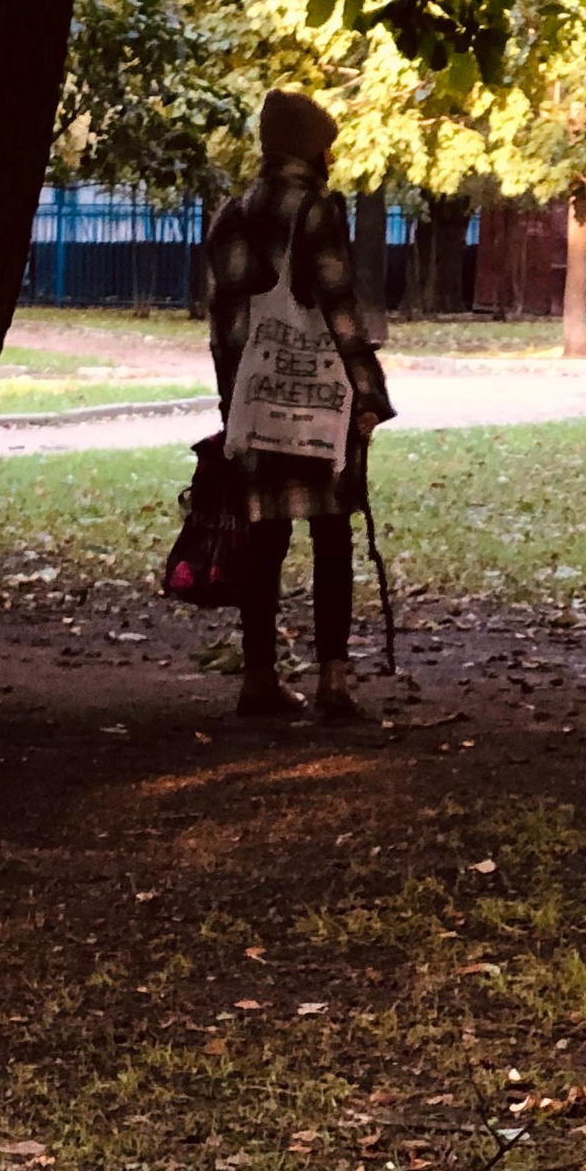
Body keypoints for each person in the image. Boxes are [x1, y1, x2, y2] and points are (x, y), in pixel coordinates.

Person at [206, 90, 392, 722]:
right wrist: (369, 395)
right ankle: (333, 682)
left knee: (263, 541)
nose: (331, 158)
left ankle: (259, 678)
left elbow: (222, 325)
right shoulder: (316, 211)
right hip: (319, 406)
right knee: (332, 537)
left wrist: (234, 405)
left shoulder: (229, 215)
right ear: (310, 150)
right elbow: (340, 310)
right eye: (326, 147)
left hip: (255, 405)